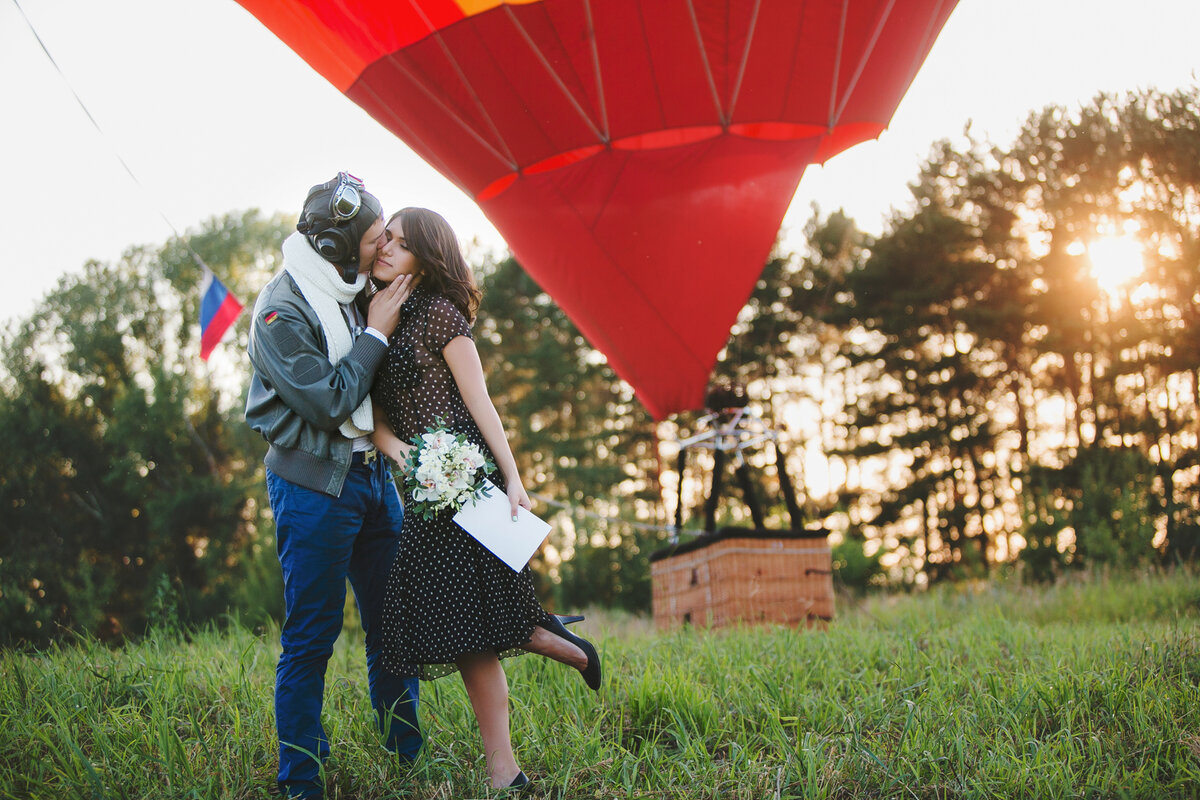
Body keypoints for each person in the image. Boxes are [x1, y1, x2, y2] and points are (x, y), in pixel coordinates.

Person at [368, 207, 602, 791]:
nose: (385, 248)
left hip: (469, 486)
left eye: (398, 241)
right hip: (421, 493)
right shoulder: (372, 317)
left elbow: (481, 404)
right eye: (384, 240)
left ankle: (505, 772)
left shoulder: (442, 315)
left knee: (475, 622)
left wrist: (513, 476)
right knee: (463, 624)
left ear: (426, 252)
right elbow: (372, 418)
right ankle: (563, 650)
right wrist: (402, 456)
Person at [245, 173, 420, 800]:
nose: (383, 247)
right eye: (374, 238)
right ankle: (302, 781)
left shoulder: (350, 287)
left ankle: (408, 758)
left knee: (392, 627)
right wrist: (375, 332)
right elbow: (331, 400)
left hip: (374, 479)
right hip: (315, 490)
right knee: (312, 636)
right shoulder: (280, 311)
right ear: (335, 247)